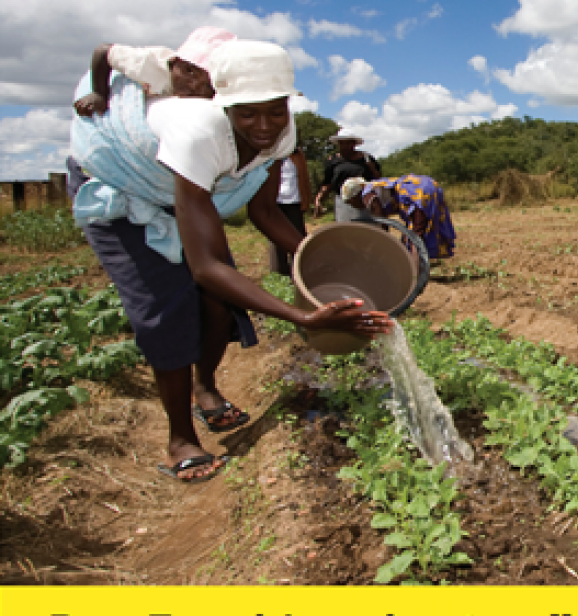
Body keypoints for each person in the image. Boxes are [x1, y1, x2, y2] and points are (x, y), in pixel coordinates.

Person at [72, 40, 391, 484]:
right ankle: (180, 438)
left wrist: (315, 255)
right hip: (126, 193)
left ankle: (205, 387)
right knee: (165, 312)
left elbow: (263, 210)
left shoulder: (283, 133)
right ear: (225, 108)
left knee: (219, 306)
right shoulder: (199, 132)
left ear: (288, 105)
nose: (264, 125)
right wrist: (302, 316)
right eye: (247, 113)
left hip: (186, 194)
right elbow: (204, 266)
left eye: (275, 110)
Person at [73, 26, 237, 118]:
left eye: (208, 85)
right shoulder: (147, 65)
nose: (194, 85)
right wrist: (99, 93)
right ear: (174, 62)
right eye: (189, 71)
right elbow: (103, 51)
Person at [351, 174, 457, 259]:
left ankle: (415, 275)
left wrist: (381, 241)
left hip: (418, 192)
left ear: (354, 195)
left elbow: (381, 218)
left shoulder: (366, 193)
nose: (352, 206)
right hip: (429, 185)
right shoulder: (374, 186)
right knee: (415, 234)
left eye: (350, 202)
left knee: (415, 237)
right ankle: (416, 268)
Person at [313, 129, 380, 223]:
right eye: (342, 143)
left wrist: (371, 167)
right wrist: (319, 199)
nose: (345, 146)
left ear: (354, 144)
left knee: (366, 231)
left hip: (364, 200)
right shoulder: (332, 160)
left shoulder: (366, 158)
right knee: (345, 232)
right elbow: (327, 183)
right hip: (343, 201)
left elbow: (378, 179)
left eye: (348, 143)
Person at [268, 146, 313, 276]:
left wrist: (306, 200)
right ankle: (280, 271)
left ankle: (299, 270)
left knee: (298, 235)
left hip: (294, 201)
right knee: (277, 237)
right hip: (276, 202)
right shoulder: (270, 154)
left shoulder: (298, 155)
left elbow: (304, 178)